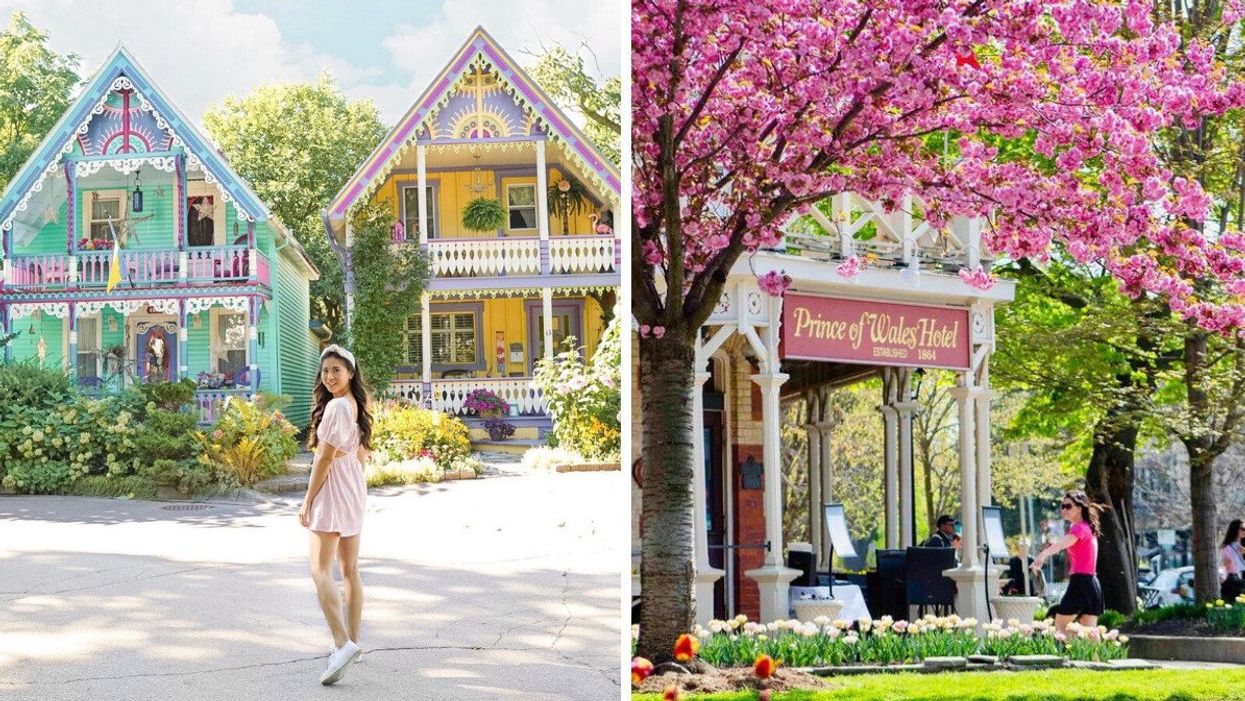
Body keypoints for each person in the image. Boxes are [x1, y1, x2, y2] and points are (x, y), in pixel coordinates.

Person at [299, 344, 373, 685]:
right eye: (326, 371)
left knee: (319, 569)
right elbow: (359, 454)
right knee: (350, 571)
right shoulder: (357, 404)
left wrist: (308, 500)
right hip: (352, 486)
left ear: (350, 374)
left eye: (336, 371)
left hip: (332, 488)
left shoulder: (336, 408)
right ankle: (353, 642)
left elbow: (325, 459)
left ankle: (342, 643)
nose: (330, 376)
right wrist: (358, 490)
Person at [1031, 490, 1106, 635]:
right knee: (1090, 634)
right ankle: (1094, 657)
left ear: (1079, 507)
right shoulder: (1087, 527)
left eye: (1068, 506)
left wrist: (1043, 555)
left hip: (1081, 582)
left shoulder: (1078, 528)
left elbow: (1061, 545)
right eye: (1062, 506)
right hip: (1092, 583)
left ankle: (1078, 651)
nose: (1064, 509)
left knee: (1060, 625)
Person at [1220, 520, 1245, 602]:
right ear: (1235, 530)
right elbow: (1225, 567)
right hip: (1235, 582)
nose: (1244, 531)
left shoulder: (1241, 545)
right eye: (1242, 528)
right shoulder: (1227, 548)